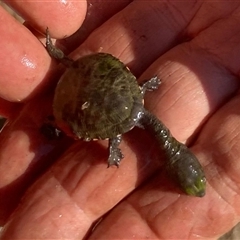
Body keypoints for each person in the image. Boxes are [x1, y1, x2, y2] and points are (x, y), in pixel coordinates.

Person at [0, 1, 240, 239]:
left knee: (78, 74)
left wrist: (144, 89)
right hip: (73, 97)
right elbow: (116, 133)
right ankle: (58, 58)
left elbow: (125, 117)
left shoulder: (134, 103)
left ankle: (58, 56)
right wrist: (113, 150)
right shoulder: (123, 122)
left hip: (87, 77)